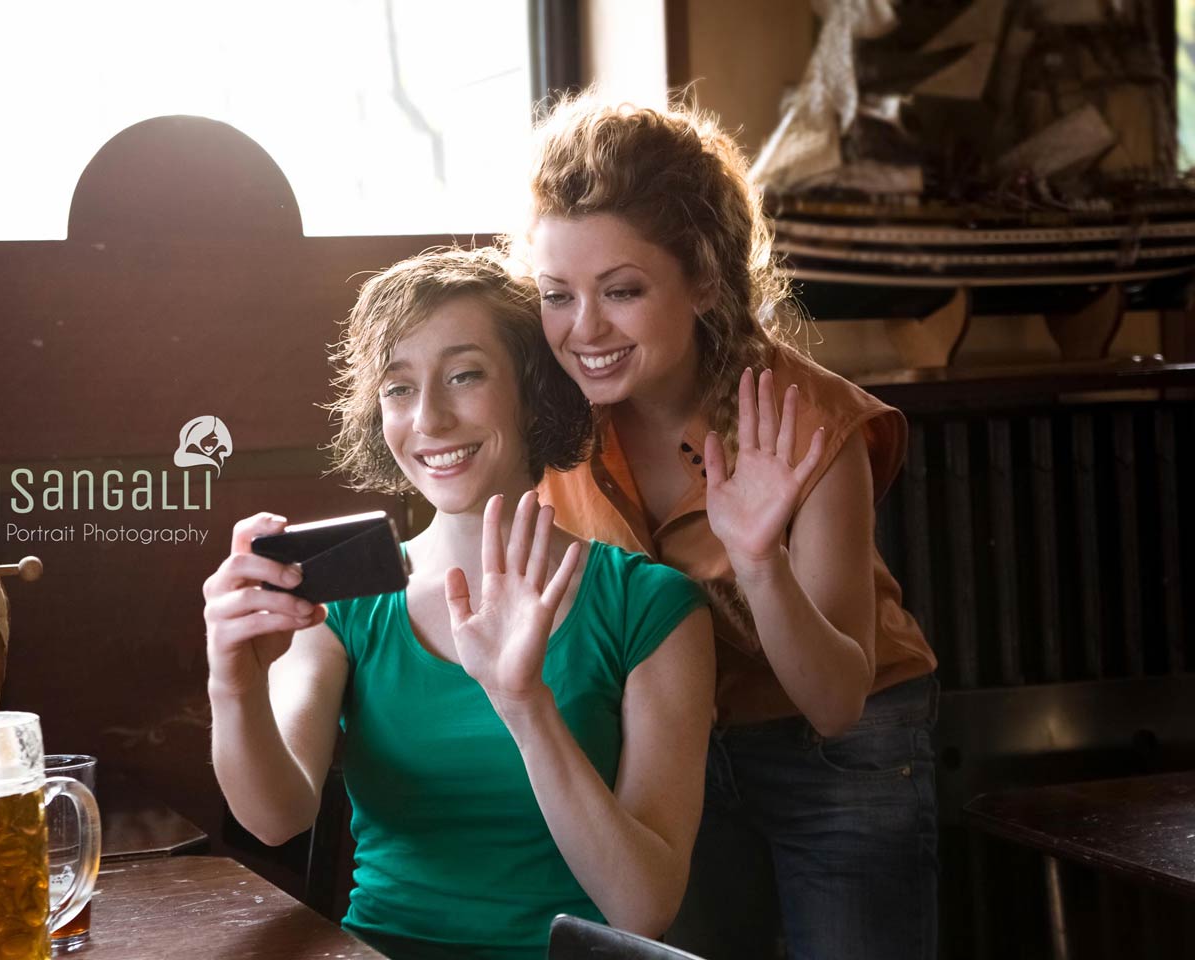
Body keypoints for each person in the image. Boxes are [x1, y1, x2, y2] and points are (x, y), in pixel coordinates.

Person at [202, 248, 716, 960]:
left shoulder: (652, 607)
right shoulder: (348, 602)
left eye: (465, 375)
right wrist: (232, 681)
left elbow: (642, 906)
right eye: (398, 388)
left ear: (535, 390)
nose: (430, 419)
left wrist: (524, 703)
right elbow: (274, 816)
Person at [518, 95, 940, 960]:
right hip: (668, 748)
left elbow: (834, 702)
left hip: (840, 749)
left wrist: (758, 559)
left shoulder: (813, 423)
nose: (584, 330)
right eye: (558, 295)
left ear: (705, 279)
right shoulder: (550, 423)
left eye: (623, 291)